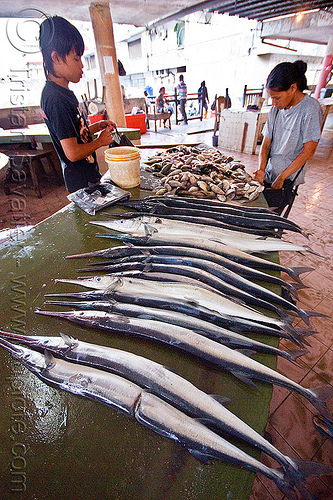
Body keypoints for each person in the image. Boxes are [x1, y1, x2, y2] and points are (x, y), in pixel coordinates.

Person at [39, 16, 116, 193]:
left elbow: (75, 133)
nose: (82, 66)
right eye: (76, 59)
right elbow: (72, 153)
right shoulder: (55, 99)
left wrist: (97, 127)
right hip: (80, 183)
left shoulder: (63, 93)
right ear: (56, 58)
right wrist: (100, 142)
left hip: (88, 175)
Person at [253, 60, 322, 215]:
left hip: (287, 178)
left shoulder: (310, 108)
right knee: (256, 211)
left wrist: (282, 176)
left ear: (292, 88)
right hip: (271, 173)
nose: (274, 103)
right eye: (271, 98)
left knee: (270, 217)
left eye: (276, 98)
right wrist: (262, 169)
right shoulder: (275, 110)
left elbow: (308, 151)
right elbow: (266, 144)